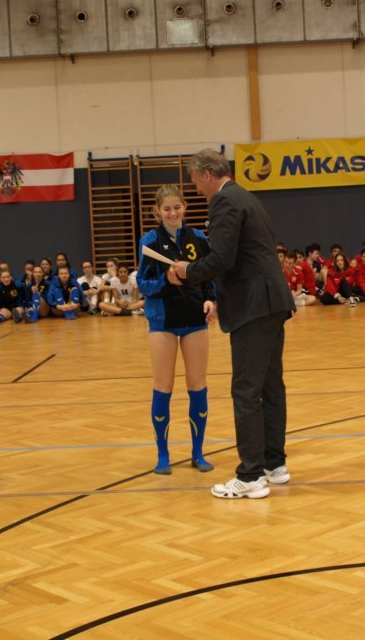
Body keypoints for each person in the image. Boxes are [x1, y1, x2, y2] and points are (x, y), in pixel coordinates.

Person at [172, 148, 295, 500]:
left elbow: (222, 259)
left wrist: (187, 271)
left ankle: (251, 475)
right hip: (271, 301)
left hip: (253, 306)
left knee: (246, 390)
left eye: (195, 181)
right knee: (270, 386)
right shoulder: (247, 197)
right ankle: (274, 464)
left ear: (207, 173)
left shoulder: (225, 201)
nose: (197, 189)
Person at [137, 184, 218, 475]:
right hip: (163, 322)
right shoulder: (149, 241)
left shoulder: (198, 238)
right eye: (166, 208)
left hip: (195, 320)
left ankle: (198, 453)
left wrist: (210, 300)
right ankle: (163, 455)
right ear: (157, 211)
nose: (172, 213)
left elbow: (209, 277)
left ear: (185, 207)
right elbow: (143, 284)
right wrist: (166, 281)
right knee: (163, 387)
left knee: (198, 386)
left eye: (177, 207)